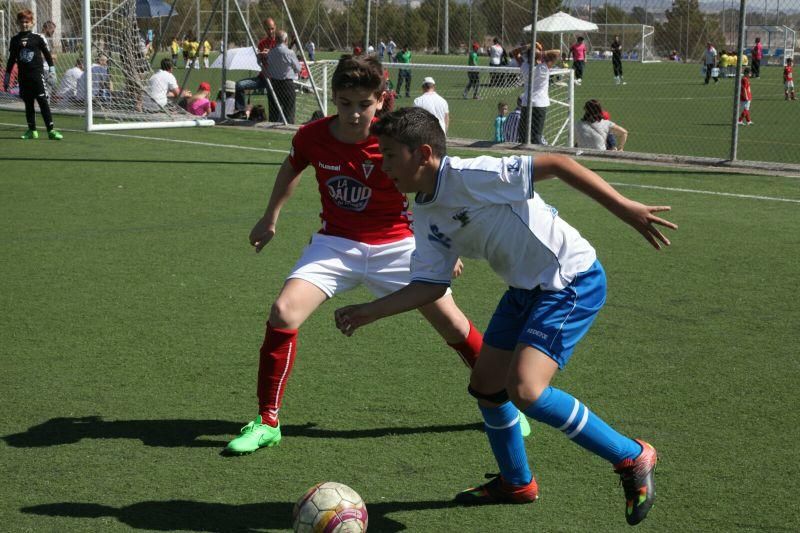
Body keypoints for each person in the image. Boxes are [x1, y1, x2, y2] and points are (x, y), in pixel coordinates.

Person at [335, 105, 676, 526]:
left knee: (526, 390)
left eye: (388, 154)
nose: (381, 164)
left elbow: (559, 164)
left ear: (422, 154)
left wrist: (625, 207)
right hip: (524, 290)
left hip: (569, 280)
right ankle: (517, 482)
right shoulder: (425, 211)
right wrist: (371, 311)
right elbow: (431, 284)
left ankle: (631, 457)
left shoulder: (470, 174)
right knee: (486, 385)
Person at [223, 55, 519, 455]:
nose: (354, 114)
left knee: (452, 325)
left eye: (364, 104)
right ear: (334, 98)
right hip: (335, 245)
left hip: (399, 245)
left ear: (381, 100)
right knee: (283, 312)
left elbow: (437, 188)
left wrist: (446, 245)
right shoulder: (313, 136)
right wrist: (270, 216)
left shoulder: (395, 142)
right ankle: (268, 421)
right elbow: (291, 167)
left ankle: (504, 409)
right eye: (345, 103)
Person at [3, 9, 63, 140]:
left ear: (32, 23)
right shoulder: (15, 40)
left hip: (37, 76)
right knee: (28, 103)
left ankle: (51, 130)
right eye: (22, 22)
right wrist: (7, 76)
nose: (24, 24)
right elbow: (11, 59)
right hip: (23, 77)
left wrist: (52, 70)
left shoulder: (37, 38)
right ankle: (32, 130)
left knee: (43, 101)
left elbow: (47, 55)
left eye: (27, 22)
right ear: (17, 23)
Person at [229, 19, 278, 118]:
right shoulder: (262, 43)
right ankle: (241, 111)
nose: (271, 31)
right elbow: (259, 62)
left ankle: (274, 119)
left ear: (275, 27)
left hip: (274, 78)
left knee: (272, 99)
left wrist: (269, 55)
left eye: (272, 29)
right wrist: (260, 56)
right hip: (262, 77)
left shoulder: (279, 41)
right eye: (268, 29)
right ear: (265, 29)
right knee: (239, 85)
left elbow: (280, 59)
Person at [519, 48, 560, 146]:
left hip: (526, 102)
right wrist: (542, 53)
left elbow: (515, 52)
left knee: (524, 134)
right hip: (540, 103)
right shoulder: (544, 67)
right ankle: (537, 156)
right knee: (536, 135)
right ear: (538, 57)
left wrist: (531, 48)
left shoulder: (524, 66)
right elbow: (557, 53)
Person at [265, 30, 302, 124]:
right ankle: (288, 128)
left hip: (273, 84)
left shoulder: (270, 53)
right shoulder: (289, 53)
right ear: (285, 40)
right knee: (289, 112)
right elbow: (298, 68)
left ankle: (272, 130)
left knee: (273, 112)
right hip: (287, 85)